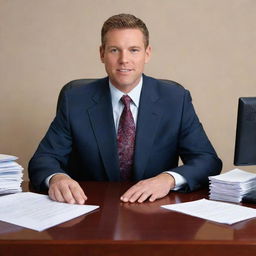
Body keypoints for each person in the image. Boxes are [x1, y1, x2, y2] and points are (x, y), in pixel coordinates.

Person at [28, 13, 222, 204]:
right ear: (102, 53)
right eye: (114, 50)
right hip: (90, 209)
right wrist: (56, 178)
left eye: (134, 50)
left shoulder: (175, 99)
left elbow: (207, 160)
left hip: (154, 212)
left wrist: (168, 179)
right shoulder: (75, 100)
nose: (124, 59)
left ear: (147, 53)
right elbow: (43, 159)